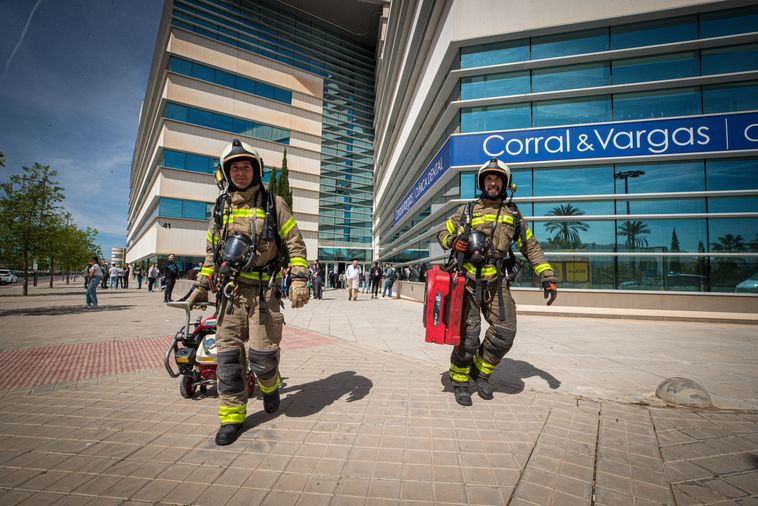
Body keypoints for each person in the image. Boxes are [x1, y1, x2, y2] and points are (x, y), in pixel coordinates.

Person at [186, 138, 309, 446]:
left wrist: (299, 279)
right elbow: (211, 252)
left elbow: (295, 244)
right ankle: (232, 418)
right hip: (229, 296)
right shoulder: (221, 207)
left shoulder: (273, 203)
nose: (240, 172)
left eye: (246, 166)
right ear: (226, 174)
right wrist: (202, 285)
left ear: (256, 170)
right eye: (234, 168)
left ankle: (270, 385)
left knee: (263, 357)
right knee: (227, 360)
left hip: (264, 295)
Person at [437, 157, 558, 407]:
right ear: (482, 183)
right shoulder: (467, 210)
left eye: (497, 179)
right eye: (489, 178)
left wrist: (547, 276)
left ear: (505, 184)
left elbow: (531, 246)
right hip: (467, 281)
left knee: (505, 333)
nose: (493, 183)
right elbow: (442, 232)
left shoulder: (513, 214)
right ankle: (460, 382)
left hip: (497, 281)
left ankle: (481, 374)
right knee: (468, 337)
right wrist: (453, 242)